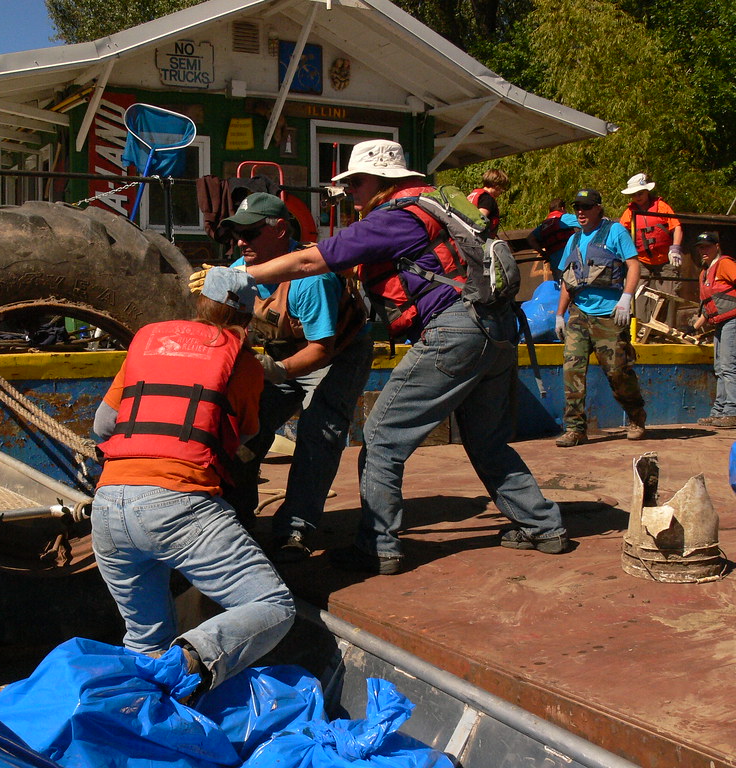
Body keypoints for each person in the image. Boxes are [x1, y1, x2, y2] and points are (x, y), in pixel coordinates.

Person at [231, 139, 568, 575]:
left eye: (356, 182)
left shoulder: (395, 217)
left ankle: (376, 547)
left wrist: (237, 276)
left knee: (382, 439)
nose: (350, 192)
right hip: (497, 330)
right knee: (486, 440)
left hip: (453, 331)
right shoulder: (435, 208)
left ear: (382, 182)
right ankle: (544, 526)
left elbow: (308, 262)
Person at [90, 267, 294, 693]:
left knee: (145, 640)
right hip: (178, 503)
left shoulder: (148, 342)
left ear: (200, 304)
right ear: (244, 314)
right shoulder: (244, 362)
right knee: (272, 605)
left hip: (108, 507)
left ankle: (140, 723)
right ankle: (192, 660)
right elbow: (247, 435)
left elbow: (103, 425)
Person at [209, 192, 372, 563]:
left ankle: (294, 530)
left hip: (336, 354)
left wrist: (275, 371)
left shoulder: (310, 280)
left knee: (320, 431)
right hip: (279, 352)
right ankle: (237, 518)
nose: (241, 242)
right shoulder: (238, 274)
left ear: (280, 230)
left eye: (250, 233)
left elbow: (321, 351)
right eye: (237, 234)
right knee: (245, 426)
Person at [554, 189, 646, 447]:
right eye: (577, 208)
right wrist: (560, 314)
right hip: (579, 315)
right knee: (572, 371)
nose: (581, 212)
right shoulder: (573, 241)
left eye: (586, 207)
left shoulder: (615, 232)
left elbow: (634, 265)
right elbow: (567, 280)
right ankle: (575, 429)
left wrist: (626, 298)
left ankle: (636, 415)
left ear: (598, 208)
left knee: (617, 372)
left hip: (609, 316)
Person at [617, 173, 684, 321]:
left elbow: (676, 227)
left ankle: (667, 331)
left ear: (647, 191)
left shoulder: (661, 206)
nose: (637, 197)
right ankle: (640, 328)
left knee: (670, 296)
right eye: (634, 195)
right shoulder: (629, 212)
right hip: (641, 261)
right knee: (637, 294)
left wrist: (675, 248)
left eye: (640, 193)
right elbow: (621, 233)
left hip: (665, 260)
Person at [692, 231, 736, 429]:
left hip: (733, 320)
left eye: (707, 246)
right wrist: (693, 327)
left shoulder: (725, 264)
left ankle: (732, 411)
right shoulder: (705, 272)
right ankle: (719, 410)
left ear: (717, 246)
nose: (703, 251)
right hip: (720, 322)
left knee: (728, 366)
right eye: (701, 247)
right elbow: (709, 307)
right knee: (719, 368)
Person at [526, 198, 579, 283]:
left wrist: (543, 253)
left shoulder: (544, 226)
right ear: (562, 208)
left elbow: (530, 238)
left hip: (555, 265)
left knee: (561, 290)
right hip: (570, 263)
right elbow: (588, 221)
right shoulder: (565, 218)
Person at [467, 168, 509, 237]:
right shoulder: (487, 199)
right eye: (502, 188)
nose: (502, 191)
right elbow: (480, 219)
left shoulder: (474, 194)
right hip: (478, 239)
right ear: (497, 186)